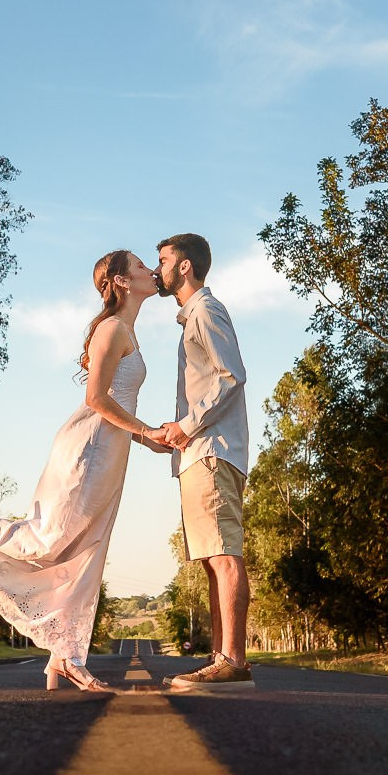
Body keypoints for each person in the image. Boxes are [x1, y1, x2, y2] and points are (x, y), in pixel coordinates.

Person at [0, 249, 173, 692]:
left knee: (85, 553)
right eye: (141, 266)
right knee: (49, 539)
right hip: (87, 451)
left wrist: (148, 440)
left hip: (112, 453)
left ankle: (65, 657)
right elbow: (97, 400)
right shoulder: (111, 329)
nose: (149, 271)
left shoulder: (128, 331)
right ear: (122, 282)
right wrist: (144, 430)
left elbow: (120, 405)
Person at [147, 233, 254, 692]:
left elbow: (233, 375)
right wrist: (174, 433)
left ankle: (234, 660)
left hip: (211, 451)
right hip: (197, 450)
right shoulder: (191, 318)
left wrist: (187, 426)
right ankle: (220, 659)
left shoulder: (207, 311)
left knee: (225, 556)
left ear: (185, 267)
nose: (159, 269)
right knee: (214, 559)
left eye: (164, 260)